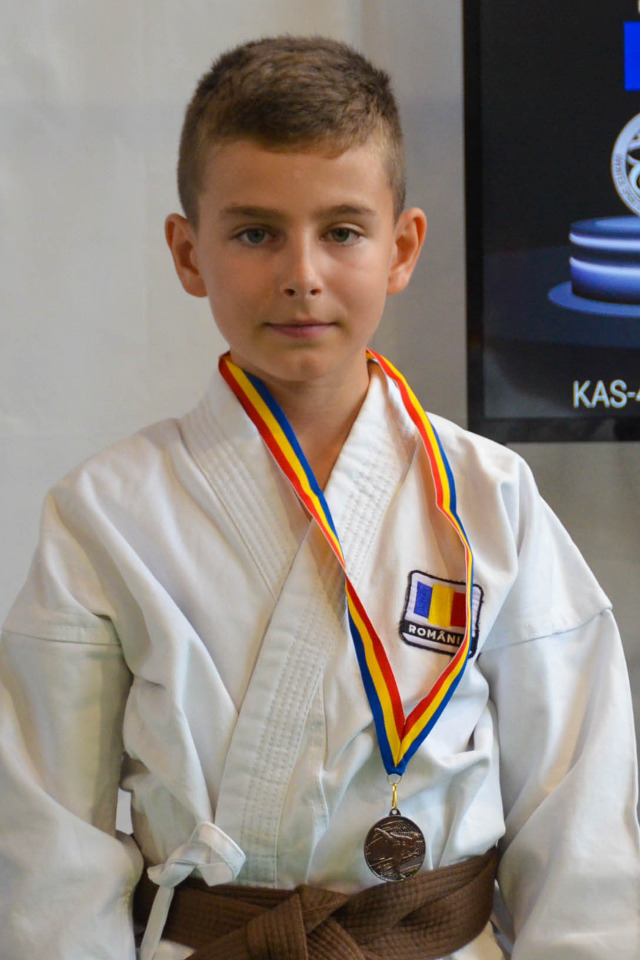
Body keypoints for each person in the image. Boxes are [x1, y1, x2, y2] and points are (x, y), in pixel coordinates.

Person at [0, 35, 638, 960]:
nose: (302, 273)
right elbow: (49, 843)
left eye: (342, 231)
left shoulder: (488, 497)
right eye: (255, 233)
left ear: (401, 248)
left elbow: (579, 813)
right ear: (187, 252)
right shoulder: (103, 515)